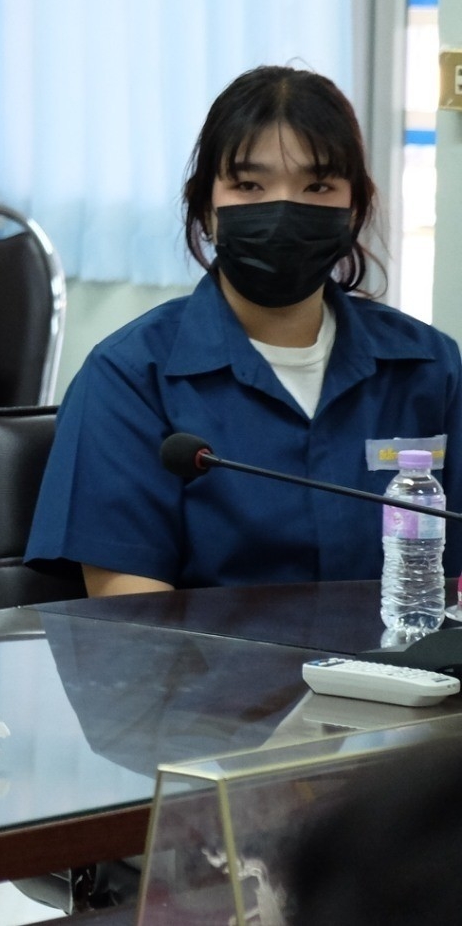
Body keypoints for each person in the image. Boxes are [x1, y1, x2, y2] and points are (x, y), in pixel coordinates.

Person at [26, 66, 462, 596]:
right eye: (249, 185)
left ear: (354, 210)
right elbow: (131, 621)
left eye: (318, 185)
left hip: (401, 674)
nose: (282, 210)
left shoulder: (429, 366)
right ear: (207, 208)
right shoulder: (129, 375)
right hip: (209, 675)